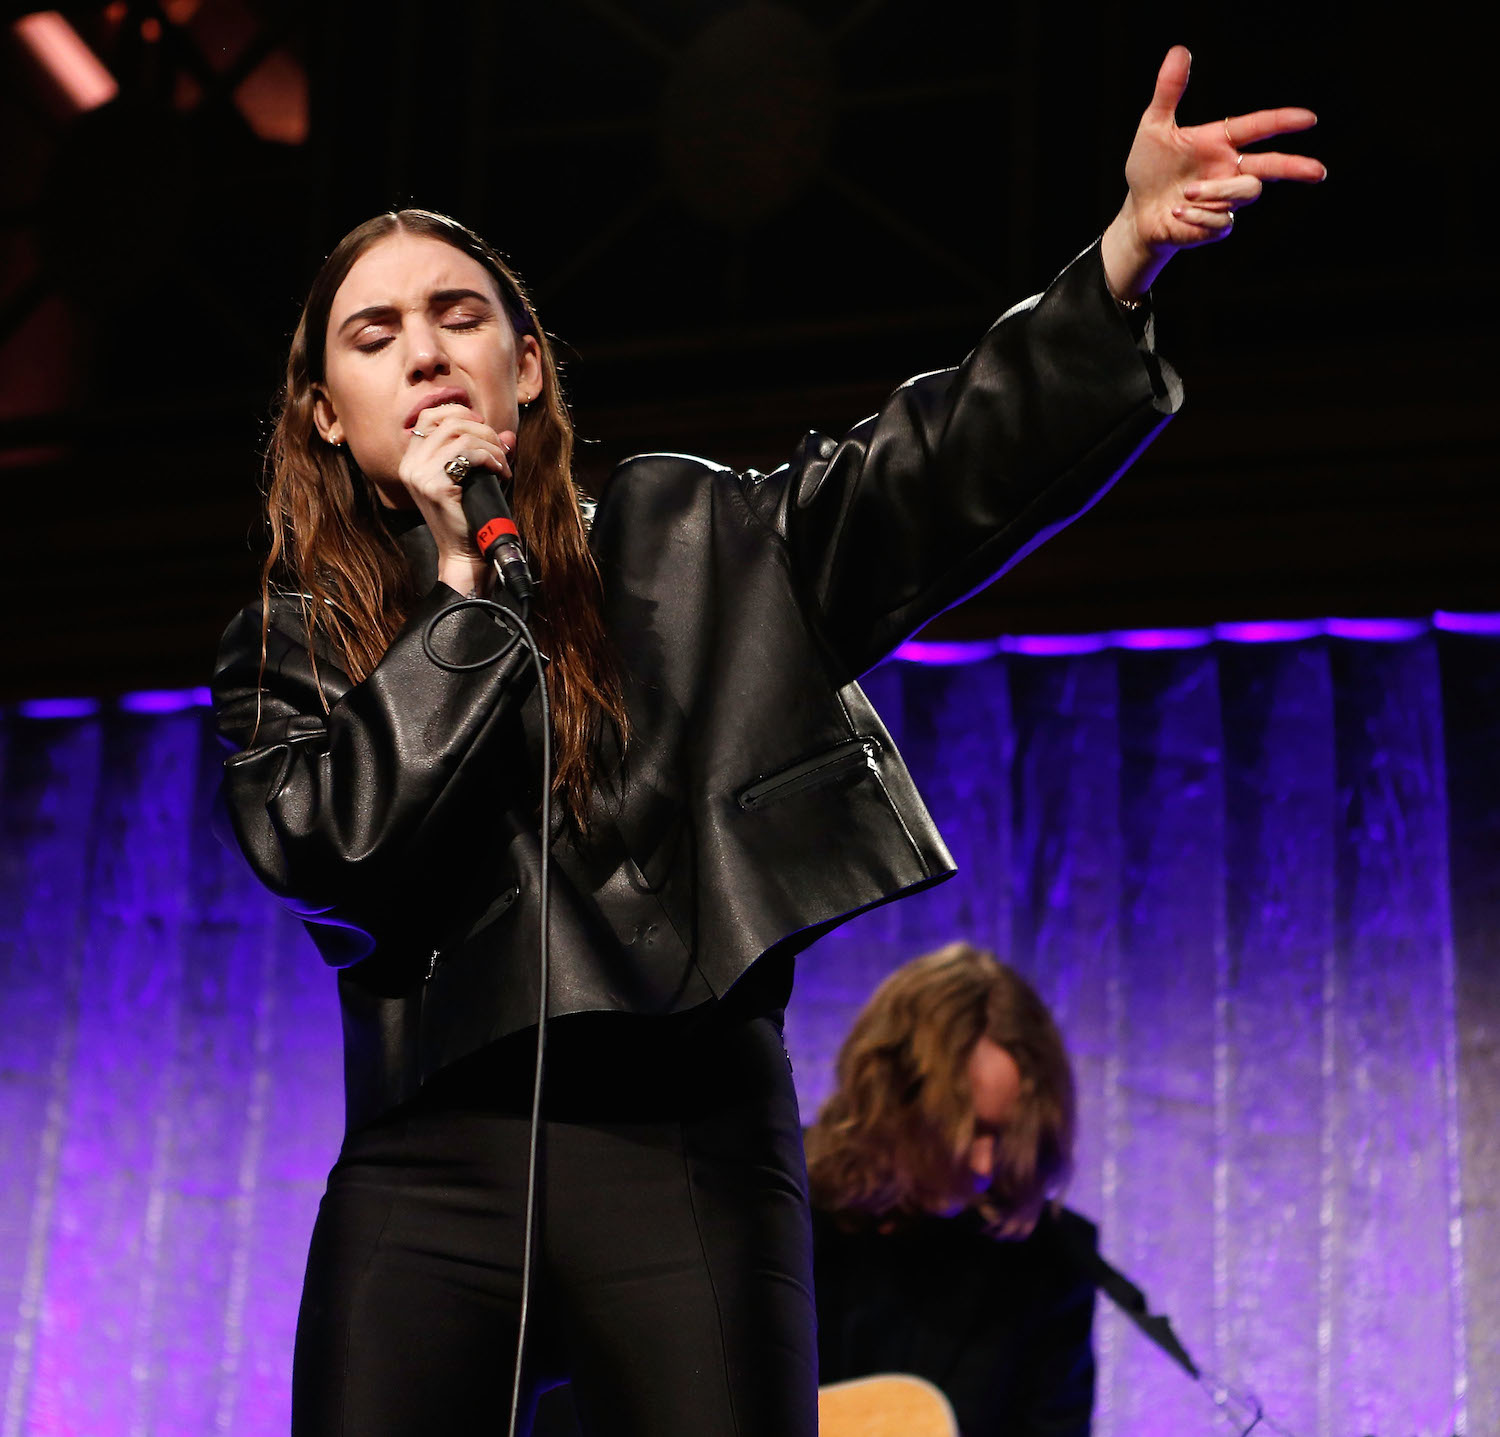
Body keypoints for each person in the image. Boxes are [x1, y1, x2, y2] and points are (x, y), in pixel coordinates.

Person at [209, 45, 1323, 1437]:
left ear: (530, 366)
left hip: (688, 1140)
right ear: (323, 410)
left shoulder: (693, 549)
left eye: (459, 315)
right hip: (433, 1151)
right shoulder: (299, 640)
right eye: (374, 337)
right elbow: (329, 848)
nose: (425, 350)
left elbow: (929, 470)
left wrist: (1119, 256)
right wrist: (459, 602)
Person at [806, 942, 1097, 1436]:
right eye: (969, 1129)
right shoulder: (773, 1211)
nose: (985, 1165)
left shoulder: (1048, 1260)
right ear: (893, 1098)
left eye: (1005, 1136)